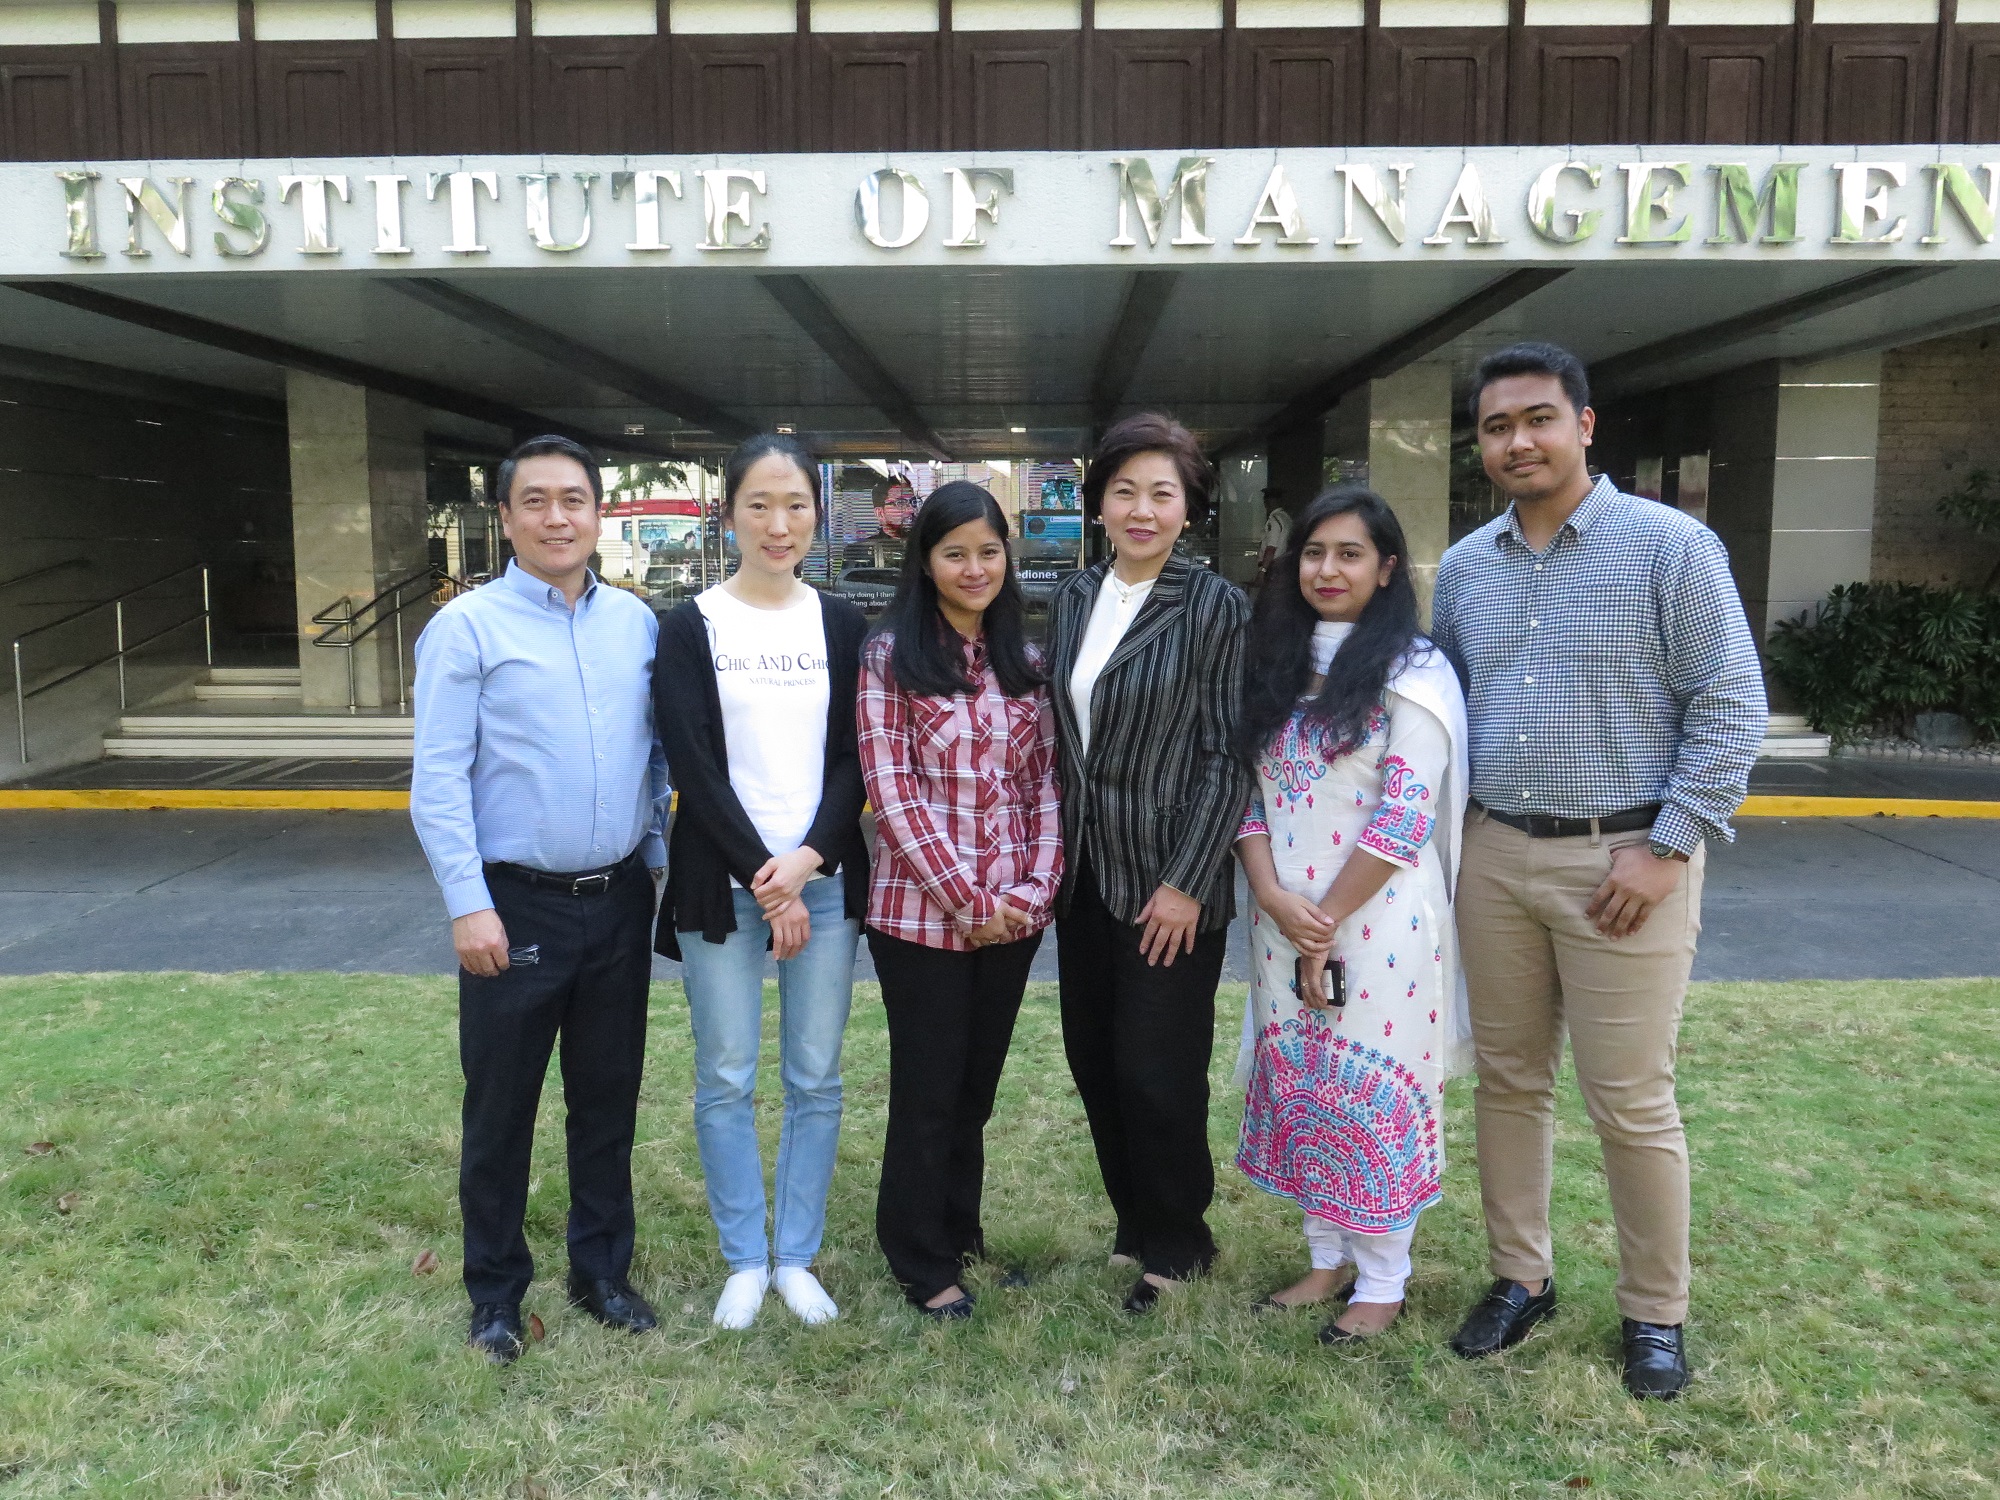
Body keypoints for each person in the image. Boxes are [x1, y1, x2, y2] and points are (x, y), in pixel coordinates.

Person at [1430, 341, 1766, 1400]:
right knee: (1508, 1082)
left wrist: (1668, 847)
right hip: (1492, 855)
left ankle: (1652, 1312)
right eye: (1494, 426)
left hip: (1623, 858)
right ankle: (1518, 1277)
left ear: (1583, 424)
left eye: (1535, 418)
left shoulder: (1670, 548)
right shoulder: (1464, 567)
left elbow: (1728, 706)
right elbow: (1440, 705)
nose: (1515, 440)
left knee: (1628, 1098)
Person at [410, 434, 669, 1365]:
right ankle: (495, 1294)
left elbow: (657, 752)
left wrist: (659, 857)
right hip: (513, 905)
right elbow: (436, 779)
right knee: (503, 1105)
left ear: (599, 513)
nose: (557, 518)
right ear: (508, 518)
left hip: (618, 902)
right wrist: (466, 903)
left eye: (574, 500)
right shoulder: (466, 628)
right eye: (536, 502)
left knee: (607, 1099)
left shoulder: (636, 625)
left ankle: (601, 1272)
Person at [1232, 486, 1472, 1346]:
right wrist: (1269, 895)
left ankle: (1384, 1275)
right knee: (1307, 1084)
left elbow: (1405, 814)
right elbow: (1246, 794)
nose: (1327, 569)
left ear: (1386, 570)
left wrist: (1323, 918)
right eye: (1313, 552)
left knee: (1374, 1089)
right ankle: (1325, 1254)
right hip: (1279, 921)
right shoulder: (1274, 663)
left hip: (1379, 925)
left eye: (1349, 554)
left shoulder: (1415, 673)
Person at [652, 432, 869, 1331]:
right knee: (728, 1074)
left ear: (816, 515)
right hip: (722, 882)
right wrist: (762, 875)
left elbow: (860, 759)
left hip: (822, 877)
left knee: (816, 1076)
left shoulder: (847, 623)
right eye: (759, 506)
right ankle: (745, 1258)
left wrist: (808, 862)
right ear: (729, 511)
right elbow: (692, 768)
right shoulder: (688, 624)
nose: (780, 526)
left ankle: (797, 1258)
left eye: (797, 506)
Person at [1045, 411, 1251, 1313]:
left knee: (1157, 1069)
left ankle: (1180, 1242)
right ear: (1098, 505)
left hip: (1169, 884)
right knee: (1094, 1059)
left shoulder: (1215, 607)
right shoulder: (1073, 597)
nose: (1141, 508)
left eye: (1161, 493)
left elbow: (1228, 754)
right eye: (1124, 491)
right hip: (1083, 876)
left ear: (1188, 507)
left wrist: (1188, 881)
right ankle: (1134, 1222)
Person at [856, 481, 1062, 1323]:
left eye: (988, 551)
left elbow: (1046, 785)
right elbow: (891, 794)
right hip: (920, 920)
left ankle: (959, 1233)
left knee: (975, 1089)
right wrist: (967, 900)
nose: (974, 568)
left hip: (1011, 917)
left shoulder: (1026, 663)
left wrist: (1031, 892)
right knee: (930, 1087)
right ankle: (917, 1254)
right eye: (954, 553)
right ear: (926, 561)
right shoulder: (889, 657)